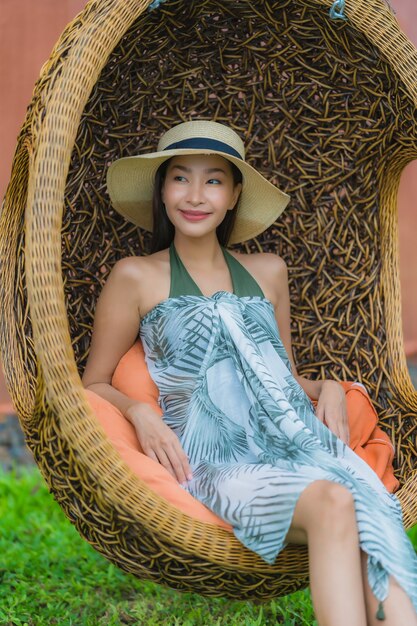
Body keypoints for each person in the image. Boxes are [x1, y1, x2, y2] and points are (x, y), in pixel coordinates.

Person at [82, 120, 417, 625]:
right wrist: (140, 412)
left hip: (292, 442)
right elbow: (93, 383)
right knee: (334, 500)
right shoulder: (136, 276)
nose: (195, 195)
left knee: (363, 502)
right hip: (214, 459)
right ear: (162, 188)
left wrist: (327, 386)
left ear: (235, 193)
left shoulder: (268, 272)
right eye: (180, 177)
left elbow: (279, 376)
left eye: (214, 179)